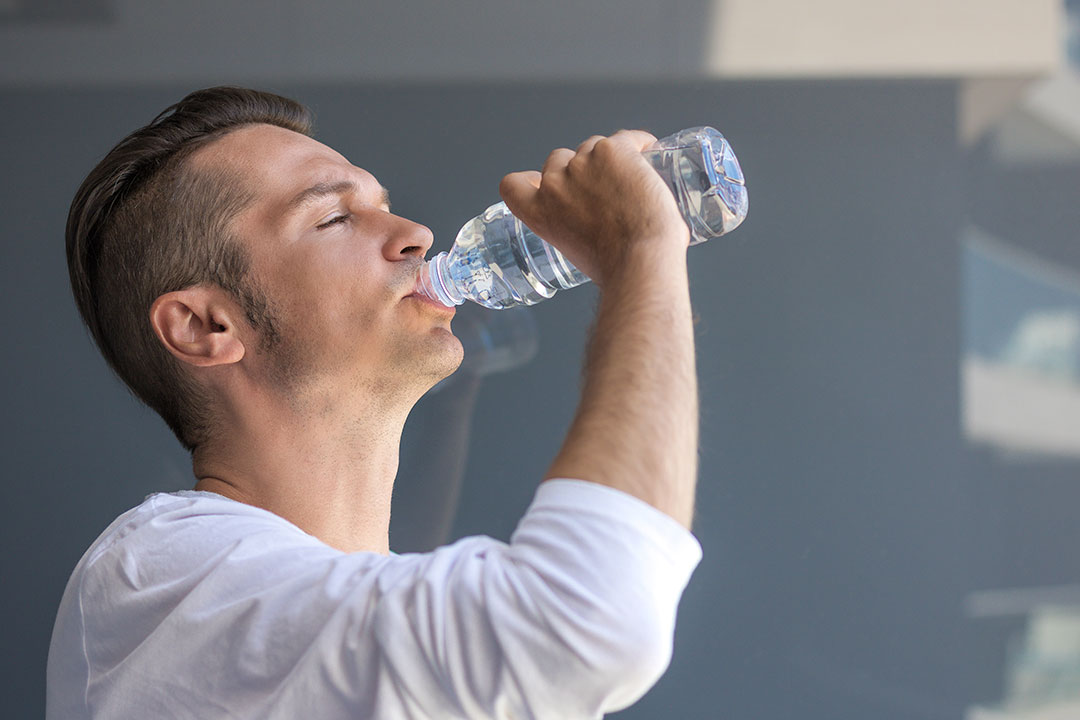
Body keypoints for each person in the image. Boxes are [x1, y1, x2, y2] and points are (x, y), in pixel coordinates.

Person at [48, 86, 702, 719]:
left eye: (384, 205)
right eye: (333, 218)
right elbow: (590, 624)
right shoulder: (158, 576)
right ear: (205, 327)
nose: (417, 233)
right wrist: (641, 251)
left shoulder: (366, 629)